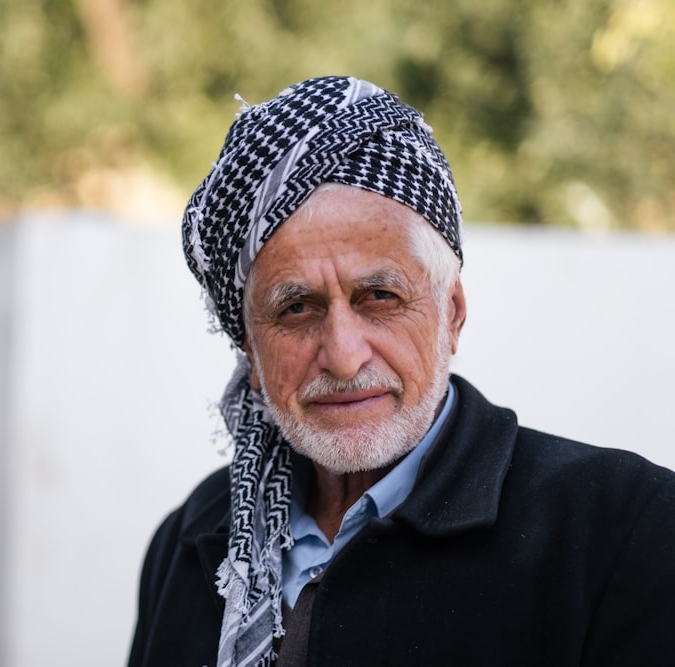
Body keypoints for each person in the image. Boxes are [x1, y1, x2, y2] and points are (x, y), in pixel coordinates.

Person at [127, 76, 675, 667]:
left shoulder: (626, 531)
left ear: (452, 315)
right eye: (295, 308)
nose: (342, 355)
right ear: (251, 355)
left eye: (380, 297)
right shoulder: (194, 539)